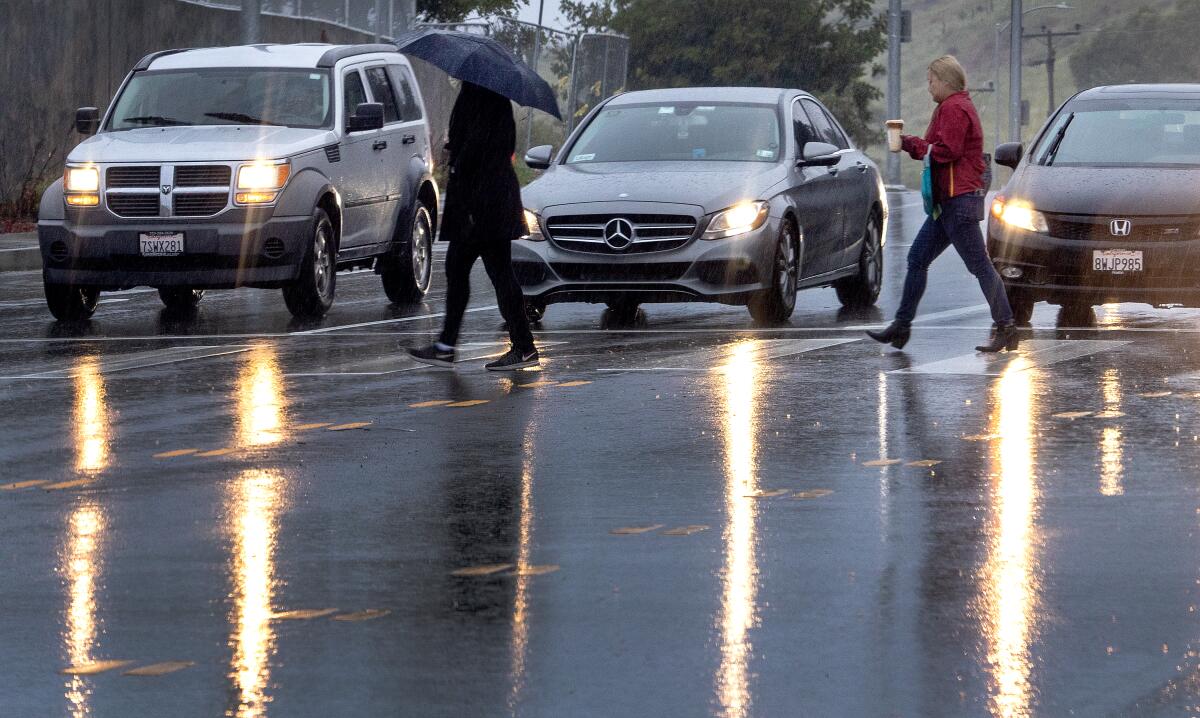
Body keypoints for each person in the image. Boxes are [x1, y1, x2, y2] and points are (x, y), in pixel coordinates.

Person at [867, 55, 1019, 353]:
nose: (929, 87)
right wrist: (914, 144)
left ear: (946, 81)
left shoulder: (954, 108)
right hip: (950, 202)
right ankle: (901, 325)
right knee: (918, 259)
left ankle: (1007, 327)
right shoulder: (952, 106)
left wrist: (912, 143)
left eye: (931, 81)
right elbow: (939, 150)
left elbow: (948, 151)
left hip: (958, 202)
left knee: (980, 266)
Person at [409, 82, 539, 371]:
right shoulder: (492, 97)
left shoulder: (481, 96)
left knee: (480, 271)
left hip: (482, 204)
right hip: (487, 201)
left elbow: (479, 149)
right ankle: (516, 345)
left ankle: (514, 346)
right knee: (478, 271)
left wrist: (457, 157)